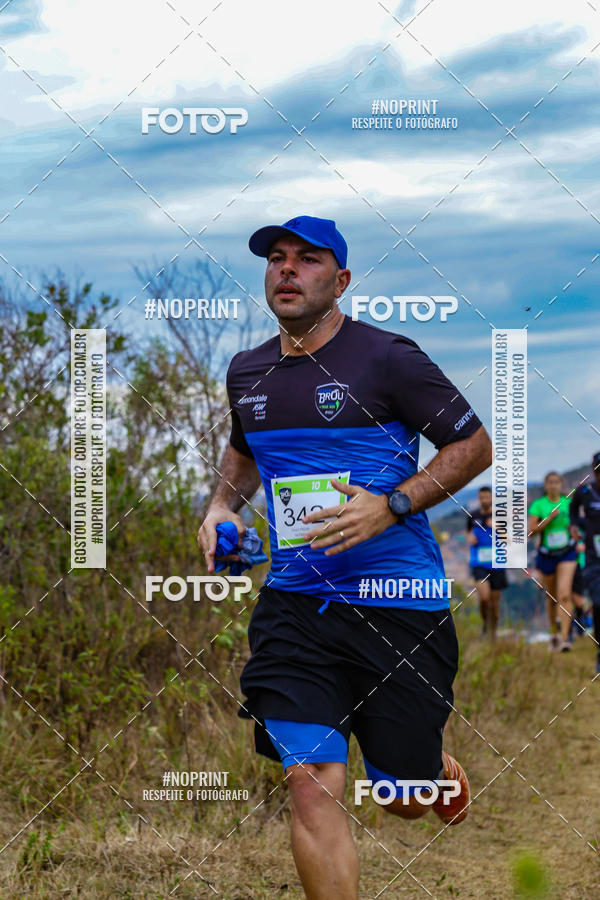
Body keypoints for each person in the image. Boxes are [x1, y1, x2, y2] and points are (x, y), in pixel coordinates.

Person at [198, 215, 493, 900]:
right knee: (309, 783)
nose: (287, 270)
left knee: (403, 799)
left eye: (306, 259)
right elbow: (244, 456)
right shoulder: (248, 371)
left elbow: (474, 448)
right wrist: (220, 510)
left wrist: (389, 505)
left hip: (397, 605)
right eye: (276, 258)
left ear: (342, 280)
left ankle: (430, 771)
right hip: (295, 606)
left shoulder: (388, 358)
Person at [528, 472, 577, 652]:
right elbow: (531, 532)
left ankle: (565, 639)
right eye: (550, 482)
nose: (554, 485)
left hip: (567, 553)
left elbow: (577, 524)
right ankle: (554, 634)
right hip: (547, 555)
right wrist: (548, 519)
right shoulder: (538, 505)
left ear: (561, 484)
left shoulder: (568, 503)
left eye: (557, 482)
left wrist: (573, 530)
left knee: (565, 594)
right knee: (552, 597)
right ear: (546, 485)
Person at [569, 452, 600, 672]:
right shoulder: (585, 492)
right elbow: (573, 506)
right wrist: (573, 526)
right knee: (598, 603)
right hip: (593, 557)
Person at [466, 486, 508, 641]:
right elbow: (468, 533)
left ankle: (493, 634)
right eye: (481, 497)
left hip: (497, 563)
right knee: (484, 598)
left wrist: (497, 527)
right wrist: (469, 539)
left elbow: (508, 540)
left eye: (487, 497)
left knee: (494, 603)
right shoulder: (473, 515)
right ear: (478, 498)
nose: (484, 500)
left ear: (491, 497)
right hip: (478, 563)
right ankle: (485, 624)